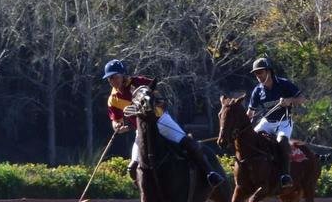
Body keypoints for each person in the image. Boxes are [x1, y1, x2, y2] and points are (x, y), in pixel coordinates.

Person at [102, 59, 224, 190]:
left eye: (114, 77)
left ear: (123, 74)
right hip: (142, 130)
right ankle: (148, 194)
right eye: (109, 78)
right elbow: (116, 121)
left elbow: (161, 101)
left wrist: (151, 103)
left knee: (188, 143)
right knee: (132, 167)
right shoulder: (113, 99)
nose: (112, 81)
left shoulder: (141, 83)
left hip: (160, 121)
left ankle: (210, 173)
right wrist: (118, 127)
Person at [247, 57, 304, 189]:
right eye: (256, 73)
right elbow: (250, 112)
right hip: (267, 122)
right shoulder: (258, 91)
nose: (258, 76)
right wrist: (244, 124)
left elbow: (302, 99)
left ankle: (285, 175)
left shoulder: (284, 84)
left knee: (281, 141)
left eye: (260, 72)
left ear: (268, 71)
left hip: (283, 122)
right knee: (250, 140)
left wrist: (289, 100)